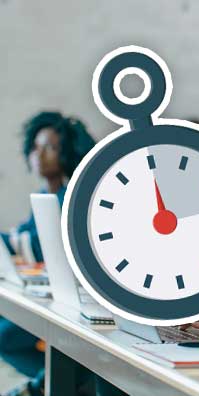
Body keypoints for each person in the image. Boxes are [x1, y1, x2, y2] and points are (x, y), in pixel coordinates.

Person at [1, 111, 96, 395]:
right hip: (51, 290)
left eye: (50, 148)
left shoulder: (68, 197)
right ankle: (49, 381)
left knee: (5, 334)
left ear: (65, 153)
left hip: (71, 297)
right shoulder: (44, 198)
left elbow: (35, 243)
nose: (39, 155)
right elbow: (26, 238)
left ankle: (47, 382)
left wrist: (12, 240)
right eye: (36, 147)